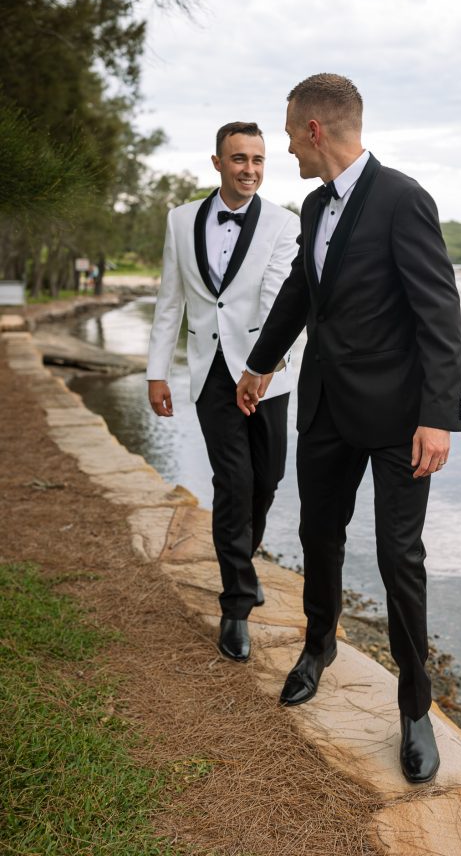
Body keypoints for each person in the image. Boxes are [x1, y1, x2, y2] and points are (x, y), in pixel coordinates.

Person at [235, 75, 461, 784]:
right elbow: (305, 294)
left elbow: (438, 312)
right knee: (318, 536)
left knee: (399, 559)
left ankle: (414, 707)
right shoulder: (312, 203)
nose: (283, 149)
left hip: (400, 420)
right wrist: (259, 363)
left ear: (313, 131)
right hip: (327, 408)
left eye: (286, 134)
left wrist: (438, 416)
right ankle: (317, 648)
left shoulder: (402, 198)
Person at [147, 121, 298, 663]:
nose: (250, 170)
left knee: (268, 477)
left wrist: (258, 371)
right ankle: (236, 603)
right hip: (210, 371)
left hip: (269, 373)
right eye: (239, 159)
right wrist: (156, 372)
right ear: (217, 162)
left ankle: (242, 562)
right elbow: (170, 301)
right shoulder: (180, 219)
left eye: (258, 160)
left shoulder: (284, 223)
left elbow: (280, 299)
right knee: (232, 481)